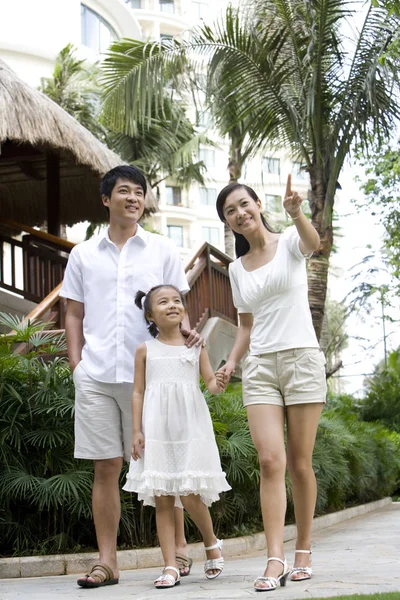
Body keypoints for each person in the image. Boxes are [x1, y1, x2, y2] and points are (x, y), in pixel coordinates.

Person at [60, 165, 200, 588]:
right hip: (97, 374)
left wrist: (184, 349)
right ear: (106, 200)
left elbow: (177, 305)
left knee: (166, 466)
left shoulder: (161, 251)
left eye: (139, 192)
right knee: (106, 468)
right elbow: (73, 312)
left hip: (154, 374)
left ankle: (177, 552)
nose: (134, 198)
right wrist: (76, 364)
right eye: (124, 191)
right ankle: (107, 562)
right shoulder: (82, 254)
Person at [216, 175, 326, 592]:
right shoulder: (235, 269)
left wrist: (297, 212)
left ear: (258, 204)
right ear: (228, 222)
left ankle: (304, 549)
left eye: (244, 204)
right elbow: (245, 325)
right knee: (269, 462)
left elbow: (313, 244)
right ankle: (274, 558)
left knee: (299, 462)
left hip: (301, 359)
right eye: (231, 211)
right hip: (260, 366)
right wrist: (230, 363)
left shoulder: (290, 245)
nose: (240, 213)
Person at [123, 284, 231, 589]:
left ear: (183, 309)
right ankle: (170, 566)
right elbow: (137, 391)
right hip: (157, 432)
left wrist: (220, 380)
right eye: (163, 302)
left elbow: (210, 384)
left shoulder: (195, 345)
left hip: (191, 429)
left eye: (177, 300)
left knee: (190, 494)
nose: (172, 305)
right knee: (163, 499)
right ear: (150, 315)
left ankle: (211, 543)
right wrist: (136, 431)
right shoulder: (145, 350)